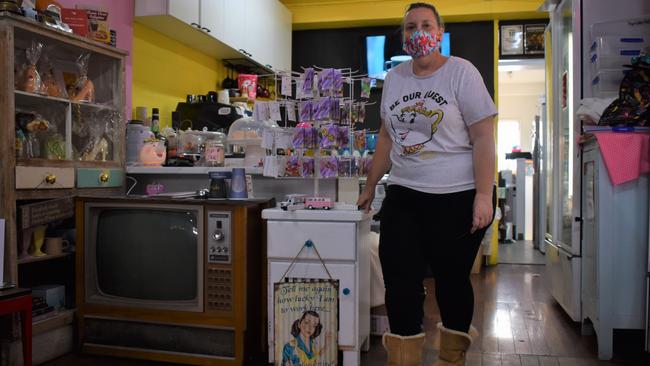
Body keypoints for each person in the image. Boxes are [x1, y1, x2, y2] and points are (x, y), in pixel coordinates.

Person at [356, 2, 497, 365]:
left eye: (425, 25)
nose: (418, 33)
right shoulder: (396, 79)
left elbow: (483, 137)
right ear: (403, 37)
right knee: (400, 284)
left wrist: (484, 194)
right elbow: (386, 137)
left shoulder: (461, 73)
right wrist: (371, 186)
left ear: (439, 32)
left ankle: (452, 358)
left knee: (451, 283)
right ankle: (403, 358)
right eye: (410, 27)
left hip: (457, 195)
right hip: (404, 194)